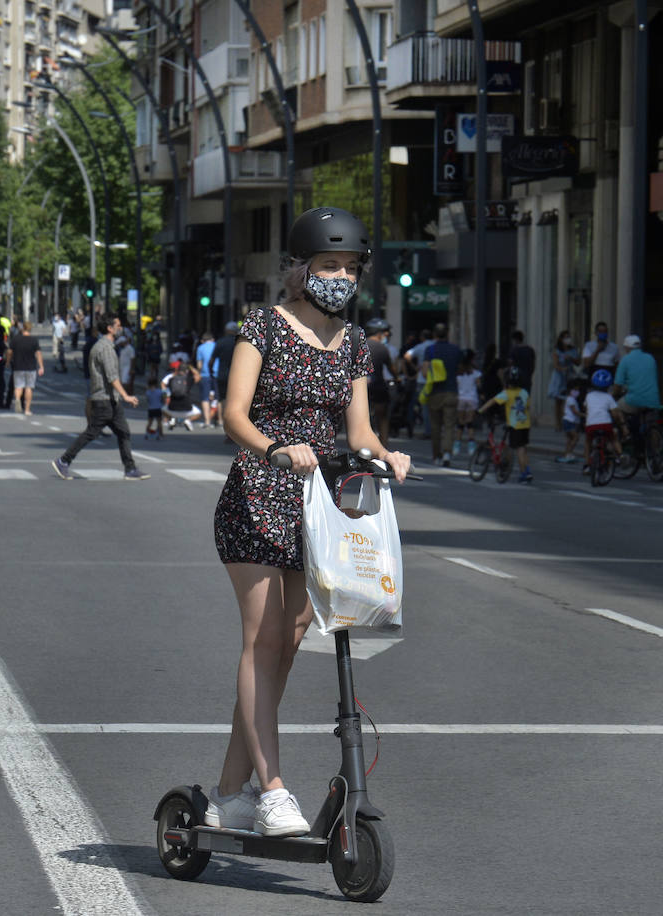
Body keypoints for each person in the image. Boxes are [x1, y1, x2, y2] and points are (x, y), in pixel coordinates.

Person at [208, 206, 411, 838]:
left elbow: (359, 430)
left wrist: (386, 454)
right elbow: (233, 414)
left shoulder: (353, 343)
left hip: (318, 506)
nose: (340, 277)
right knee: (262, 640)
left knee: (290, 642)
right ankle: (270, 790)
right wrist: (273, 447)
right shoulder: (264, 326)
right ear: (299, 269)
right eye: (328, 265)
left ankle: (225, 794)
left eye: (350, 267)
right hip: (259, 494)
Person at [50, 314, 149, 481]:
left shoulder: (103, 346)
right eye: (118, 325)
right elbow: (112, 376)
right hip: (104, 399)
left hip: (109, 399)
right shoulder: (106, 349)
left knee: (123, 432)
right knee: (92, 433)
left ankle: (130, 468)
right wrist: (126, 396)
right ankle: (63, 460)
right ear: (110, 328)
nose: (121, 328)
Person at [419, 322, 463, 466]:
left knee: (435, 426)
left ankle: (436, 456)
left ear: (434, 334)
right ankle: (447, 454)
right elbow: (461, 370)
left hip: (434, 393)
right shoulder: (456, 350)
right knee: (449, 425)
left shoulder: (430, 350)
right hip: (451, 391)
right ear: (447, 333)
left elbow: (425, 373)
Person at [484, 365, 533, 483]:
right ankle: (527, 469)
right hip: (525, 424)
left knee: (519, 449)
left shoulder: (507, 393)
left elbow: (493, 401)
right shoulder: (524, 392)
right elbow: (528, 406)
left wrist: (481, 410)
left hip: (515, 425)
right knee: (523, 448)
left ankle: (524, 474)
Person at [614, 333, 660, 453]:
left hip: (635, 399)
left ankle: (626, 433)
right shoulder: (650, 358)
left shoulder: (625, 360)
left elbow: (618, 384)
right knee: (652, 425)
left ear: (627, 348)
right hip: (653, 399)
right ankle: (655, 455)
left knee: (617, 408)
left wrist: (614, 395)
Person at [364, 317, 398, 443]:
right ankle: (383, 445)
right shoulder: (382, 348)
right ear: (379, 333)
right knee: (383, 417)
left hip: (361, 387)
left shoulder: (359, 345)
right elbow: (391, 368)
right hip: (378, 386)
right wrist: (397, 378)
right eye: (385, 333)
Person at [583, 369, 622, 468]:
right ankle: (620, 456)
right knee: (613, 439)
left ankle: (587, 464)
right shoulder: (609, 397)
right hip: (606, 424)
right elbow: (615, 414)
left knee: (588, 442)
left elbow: (587, 411)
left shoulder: (589, 396)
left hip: (591, 425)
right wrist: (618, 421)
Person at [8, 321, 44, 415]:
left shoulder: (16, 339)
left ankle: (17, 399)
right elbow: (38, 353)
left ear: (22, 329)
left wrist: (8, 361)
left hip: (18, 366)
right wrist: (41, 366)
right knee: (29, 387)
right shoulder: (34, 340)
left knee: (18, 386)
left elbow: (9, 351)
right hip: (30, 367)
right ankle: (27, 409)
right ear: (30, 329)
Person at [547, 330, 579, 431]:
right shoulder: (557, 350)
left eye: (568, 337)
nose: (567, 339)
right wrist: (562, 368)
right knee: (559, 401)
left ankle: (570, 421)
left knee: (570, 400)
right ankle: (558, 423)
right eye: (565, 337)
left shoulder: (573, 350)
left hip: (569, 377)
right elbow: (556, 364)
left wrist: (571, 359)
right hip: (559, 377)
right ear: (561, 339)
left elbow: (578, 362)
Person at [454, 350, 481, 455]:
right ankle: (471, 445)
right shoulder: (475, 372)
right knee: (470, 422)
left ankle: (457, 445)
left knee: (460, 422)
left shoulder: (458, 372)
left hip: (460, 398)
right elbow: (479, 385)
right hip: (472, 398)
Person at [161, 361, 201, 430]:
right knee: (199, 413)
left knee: (163, 410)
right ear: (187, 371)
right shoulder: (189, 380)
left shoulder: (171, 379)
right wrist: (190, 367)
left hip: (172, 407)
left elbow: (164, 384)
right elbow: (198, 376)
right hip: (187, 408)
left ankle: (172, 419)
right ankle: (188, 420)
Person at [196, 332, 217, 426]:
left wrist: (199, 373)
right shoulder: (216, 345)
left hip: (205, 374)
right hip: (217, 373)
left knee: (205, 398)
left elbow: (199, 364)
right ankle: (220, 420)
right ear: (212, 339)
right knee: (219, 398)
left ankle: (207, 421)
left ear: (202, 340)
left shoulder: (200, 348)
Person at [506, 329, 536, 396]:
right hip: (527, 378)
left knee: (515, 398)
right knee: (525, 397)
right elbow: (533, 365)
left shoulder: (513, 350)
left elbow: (510, 364)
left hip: (516, 379)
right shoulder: (530, 350)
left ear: (515, 339)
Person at [144, 374, 166, 439]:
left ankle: (147, 433)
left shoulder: (147, 392)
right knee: (159, 422)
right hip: (158, 408)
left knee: (150, 422)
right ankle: (160, 433)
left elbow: (148, 400)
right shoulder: (159, 391)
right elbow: (163, 399)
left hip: (151, 408)